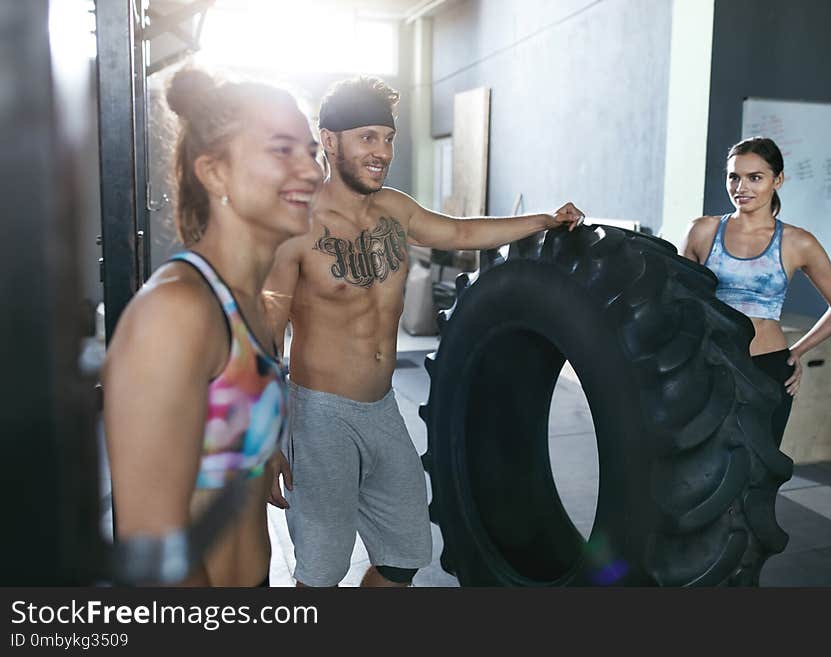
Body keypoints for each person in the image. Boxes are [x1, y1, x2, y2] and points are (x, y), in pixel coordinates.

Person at [263, 76, 585, 587]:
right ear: (329, 140)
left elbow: (459, 232)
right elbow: (267, 337)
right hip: (319, 417)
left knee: (405, 552)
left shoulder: (395, 209)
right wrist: (267, 439)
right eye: (367, 137)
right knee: (321, 571)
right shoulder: (295, 227)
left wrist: (542, 221)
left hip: (381, 408)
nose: (382, 152)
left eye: (388, 139)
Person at [102, 67, 322, 586]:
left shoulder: (253, 302)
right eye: (282, 150)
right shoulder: (176, 313)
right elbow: (152, 556)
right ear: (215, 173)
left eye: (311, 152)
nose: (311, 171)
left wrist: (261, 450)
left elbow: (214, 428)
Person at [680, 136, 831, 446]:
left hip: (767, 369)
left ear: (778, 180)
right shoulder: (702, 231)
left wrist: (797, 351)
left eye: (755, 177)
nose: (741, 187)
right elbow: (678, 302)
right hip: (707, 366)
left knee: (758, 475)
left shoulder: (797, 242)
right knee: (700, 473)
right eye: (734, 176)